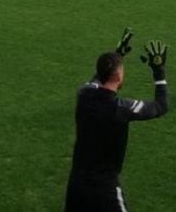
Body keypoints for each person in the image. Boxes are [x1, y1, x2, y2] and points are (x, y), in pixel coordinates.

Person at [64, 30, 170, 210]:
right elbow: (161, 106)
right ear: (119, 77)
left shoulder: (84, 94)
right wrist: (158, 71)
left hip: (77, 184)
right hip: (105, 189)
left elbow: (97, 78)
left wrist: (117, 54)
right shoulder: (121, 109)